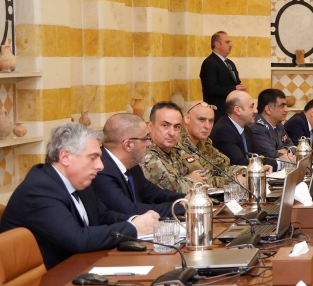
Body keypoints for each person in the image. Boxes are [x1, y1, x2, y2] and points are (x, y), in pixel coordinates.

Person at [0, 123, 159, 269]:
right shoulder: (39, 189)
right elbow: (78, 239)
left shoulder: (78, 180)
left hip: (77, 267)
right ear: (65, 157)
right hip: (44, 285)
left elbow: (102, 215)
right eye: (93, 158)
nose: (100, 166)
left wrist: (136, 220)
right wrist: (134, 228)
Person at [92, 112, 184, 218]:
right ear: (128, 145)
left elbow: (153, 193)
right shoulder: (101, 170)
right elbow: (129, 210)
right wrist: (181, 207)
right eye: (146, 139)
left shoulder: (132, 164)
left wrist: (186, 198)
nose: (149, 143)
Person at [141, 101, 210, 193]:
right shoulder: (146, 153)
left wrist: (184, 180)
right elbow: (173, 189)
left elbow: (204, 178)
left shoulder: (176, 151)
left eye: (176, 127)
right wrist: (190, 179)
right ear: (150, 126)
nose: (172, 133)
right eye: (165, 125)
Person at [211, 91, 276, 169]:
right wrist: (277, 164)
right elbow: (240, 163)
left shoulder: (245, 128)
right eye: (251, 107)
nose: (256, 111)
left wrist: (276, 163)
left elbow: (261, 155)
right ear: (237, 110)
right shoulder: (223, 131)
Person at [199, 31, 245, 120]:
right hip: (218, 112)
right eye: (227, 42)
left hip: (231, 111)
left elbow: (236, 82)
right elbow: (210, 88)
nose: (231, 45)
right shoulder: (209, 63)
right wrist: (234, 89)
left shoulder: (230, 63)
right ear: (217, 44)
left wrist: (240, 87)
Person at [249, 88, 296, 166]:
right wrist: (283, 152)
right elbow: (272, 155)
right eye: (282, 106)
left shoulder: (279, 125)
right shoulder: (257, 127)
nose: (286, 110)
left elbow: (293, 147)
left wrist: (284, 150)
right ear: (268, 109)